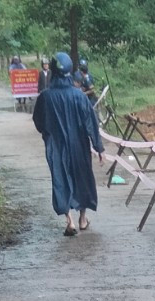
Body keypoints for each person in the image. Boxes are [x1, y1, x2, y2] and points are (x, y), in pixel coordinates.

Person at [32, 52, 104, 236]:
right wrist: (98, 146)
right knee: (82, 178)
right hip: (79, 144)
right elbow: (91, 122)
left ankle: (69, 221)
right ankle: (82, 219)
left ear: (54, 71)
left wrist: (47, 133)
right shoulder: (79, 96)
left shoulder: (45, 97)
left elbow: (38, 121)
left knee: (60, 178)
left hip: (56, 145)